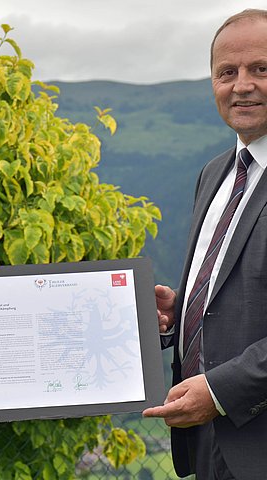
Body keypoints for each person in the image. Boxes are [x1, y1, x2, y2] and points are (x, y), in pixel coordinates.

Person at [142, 8, 267, 480]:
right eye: (227, 72)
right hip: (208, 446)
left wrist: (218, 392)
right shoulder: (214, 174)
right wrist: (181, 312)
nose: (242, 85)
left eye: (261, 69)